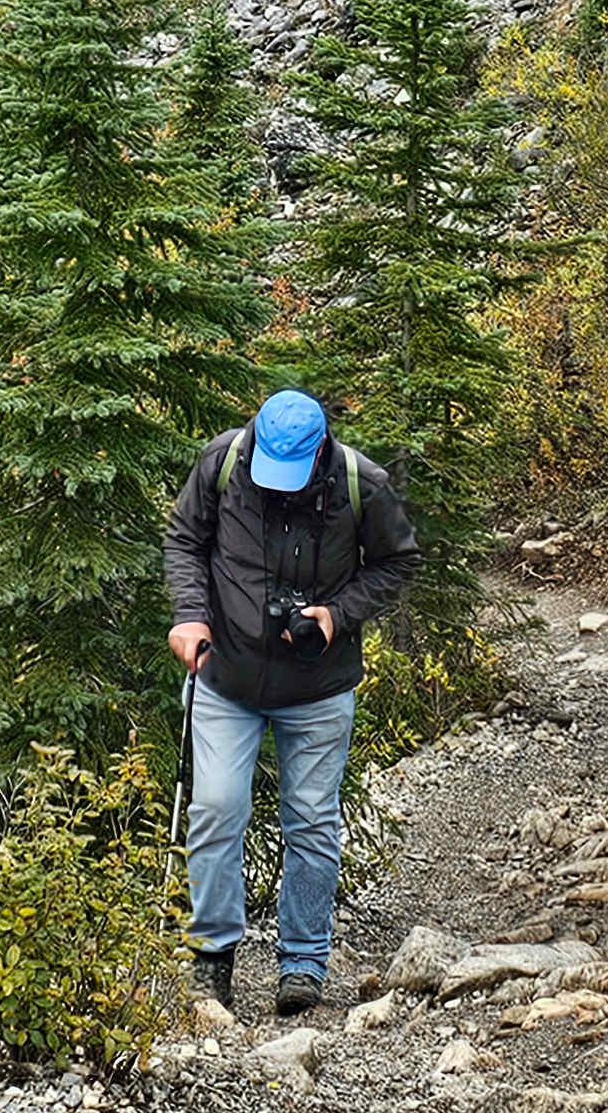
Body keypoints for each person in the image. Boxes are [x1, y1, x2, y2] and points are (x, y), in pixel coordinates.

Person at [162, 386, 419, 1016]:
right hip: (226, 675)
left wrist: (337, 614)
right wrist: (190, 617)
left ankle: (302, 964)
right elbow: (184, 542)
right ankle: (211, 958)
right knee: (217, 807)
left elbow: (397, 564)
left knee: (310, 820)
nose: (279, 485)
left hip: (318, 685)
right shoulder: (224, 464)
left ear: (320, 449)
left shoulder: (363, 483)